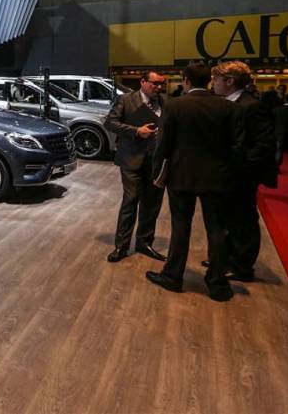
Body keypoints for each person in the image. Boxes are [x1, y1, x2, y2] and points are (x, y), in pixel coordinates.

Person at [147, 63, 242, 302]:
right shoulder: (228, 107)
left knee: (181, 227)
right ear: (209, 80)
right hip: (218, 178)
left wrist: (157, 173)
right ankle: (218, 284)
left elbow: (163, 145)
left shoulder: (175, 106)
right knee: (217, 231)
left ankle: (173, 276)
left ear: (186, 80)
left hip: (182, 176)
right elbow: (236, 146)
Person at [210, 61, 276, 282]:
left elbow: (264, 144)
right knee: (229, 219)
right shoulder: (228, 102)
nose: (213, 83)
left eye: (216, 79)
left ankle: (242, 267)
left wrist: (240, 166)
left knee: (243, 220)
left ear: (229, 81)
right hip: (227, 173)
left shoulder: (251, 106)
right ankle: (225, 259)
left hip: (242, 176)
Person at [103, 71, 167, 262]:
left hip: (156, 160)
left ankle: (145, 243)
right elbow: (110, 122)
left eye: (161, 84)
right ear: (143, 82)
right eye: (155, 84)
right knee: (130, 201)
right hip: (131, 159)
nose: (158, 88)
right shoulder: (125, 99)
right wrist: (136, 131)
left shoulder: (165, 101)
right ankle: (121, 247)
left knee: (152, 203)